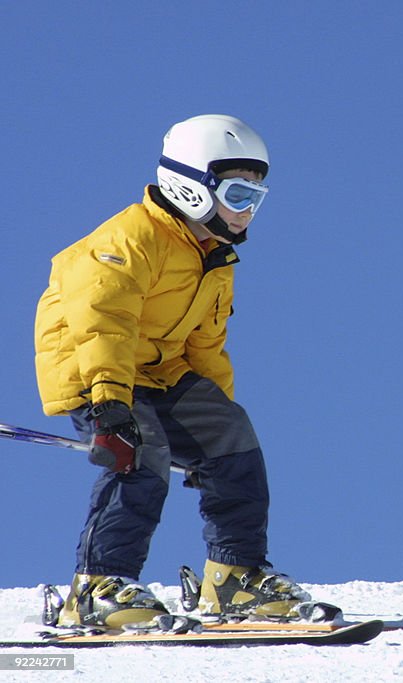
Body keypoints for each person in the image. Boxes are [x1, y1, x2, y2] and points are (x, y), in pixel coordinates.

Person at [34, 114, 311, 628]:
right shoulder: (127, 241)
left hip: (159, 372)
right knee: (141, 450)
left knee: (233, 440)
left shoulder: (213, 256)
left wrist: (216, 422)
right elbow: (102, 325)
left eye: (256, 197)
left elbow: (206, 345)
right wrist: (111, 403)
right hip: (92, 369)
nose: (248, 211)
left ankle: (234, 578)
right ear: (191, 187)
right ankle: (98, 587)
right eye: (238, 195)